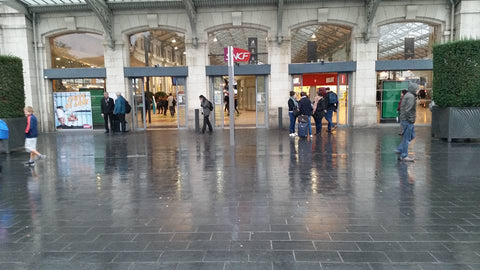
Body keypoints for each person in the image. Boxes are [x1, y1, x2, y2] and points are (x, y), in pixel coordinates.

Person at [396, 83, 418, 162]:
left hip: (405, 120)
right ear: (413, 89)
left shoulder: (408, 95)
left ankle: (400, 149)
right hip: (407, 121)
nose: (418, 91)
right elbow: (408, 110)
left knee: (411, 136)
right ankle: (404, 155)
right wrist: (411, 119)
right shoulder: (411, 97)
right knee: (407, 138)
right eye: (417, 89)